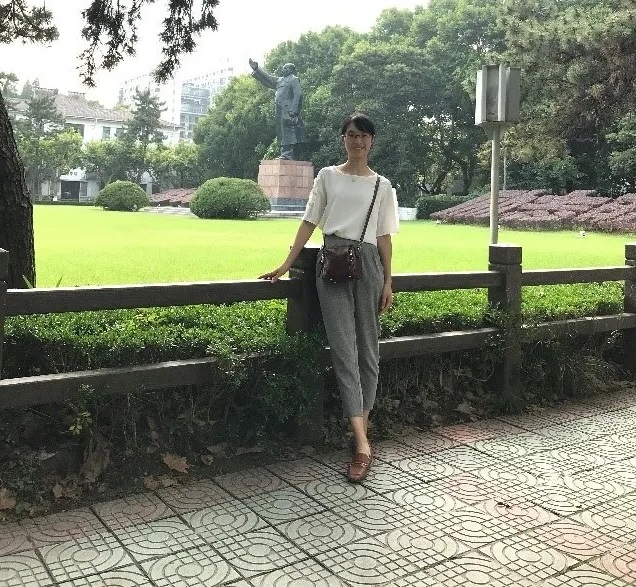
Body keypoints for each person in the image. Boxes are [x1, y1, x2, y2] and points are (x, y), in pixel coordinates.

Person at [259, 113, 399, 482]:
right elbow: (309, 221)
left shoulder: (382, 185)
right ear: (343, 139)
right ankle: (362, 443)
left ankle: (361, 432)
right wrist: (286, 263)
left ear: (372, 141)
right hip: (333, 265)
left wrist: (388, 281)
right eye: (352, 135)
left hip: (369, 266)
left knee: (369, 351)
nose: (358, 141)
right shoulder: (327, 176)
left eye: (364, 136)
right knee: (343, 350)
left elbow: (384, 236)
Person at [249, 58, 305, 160]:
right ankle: (286, 153)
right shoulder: (280, 80)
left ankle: (288, 154)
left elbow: (298, 95)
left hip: (289, 110)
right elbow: (268, 79)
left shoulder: (294, 79)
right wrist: (257, 69)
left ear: (291, 70)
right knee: (282, 132)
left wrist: (294, 110)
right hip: (280, 111)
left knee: (289, 131)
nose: (283, 70)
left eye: (285, 68)